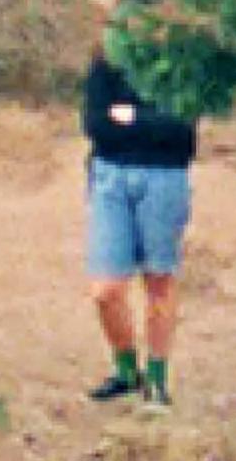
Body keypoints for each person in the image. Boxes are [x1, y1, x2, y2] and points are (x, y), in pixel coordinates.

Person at [82, 48, 195, 408]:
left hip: (164, 177)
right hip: (110, 176)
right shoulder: (106, 62)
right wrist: (149, 123)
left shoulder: (181, 61)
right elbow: (95, 125)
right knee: (106, 289)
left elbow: (181, 134)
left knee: (158, 279)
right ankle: (128, 369)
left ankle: (158, 378)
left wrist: (130, 120)